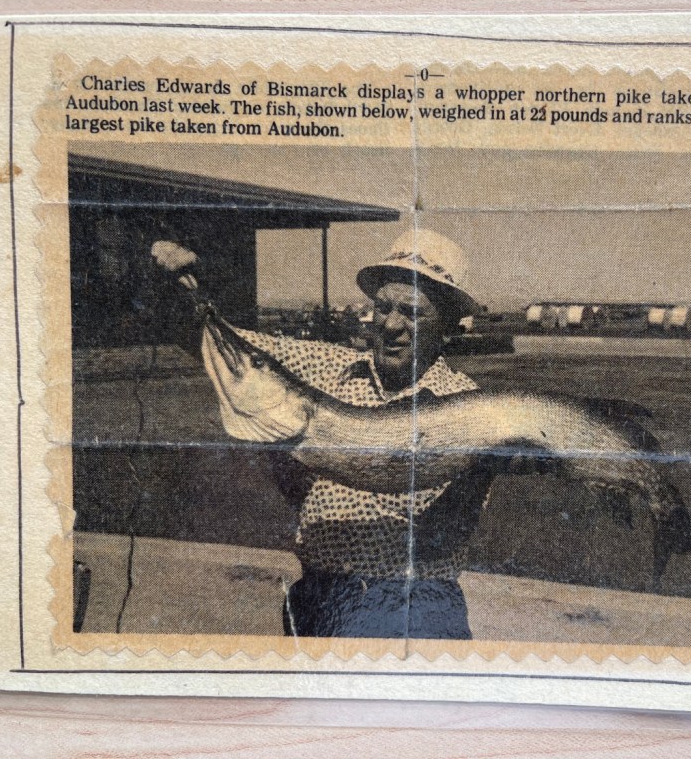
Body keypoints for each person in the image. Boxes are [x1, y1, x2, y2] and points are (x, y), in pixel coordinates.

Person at [154, 230, 494, 640]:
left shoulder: (471, 406)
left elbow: (451, 525)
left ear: (448, 326)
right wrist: (168, 280)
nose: (391, 325)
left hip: (414, 609)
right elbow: (219, 345)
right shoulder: (325, 365)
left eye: (412, 313)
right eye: (383, 307)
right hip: (318, 597)